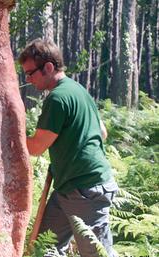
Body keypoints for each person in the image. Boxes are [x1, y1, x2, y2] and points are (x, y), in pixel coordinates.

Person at [19, 39, 118, 257]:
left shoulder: (58, 98)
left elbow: (35, 148)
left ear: (48, 67)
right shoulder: (78, 90)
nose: (28, 79)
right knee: (45, 248)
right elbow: (102, 132)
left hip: (86, 189)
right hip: (67, 189)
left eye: (30, 73)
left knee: (96, 254)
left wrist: (11, 136)